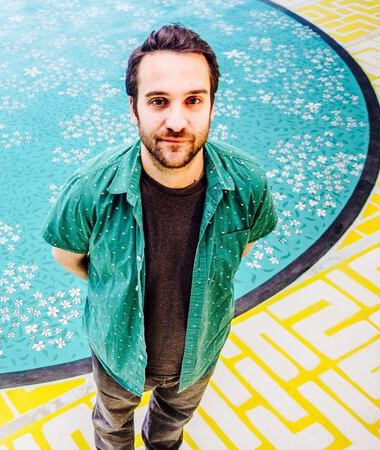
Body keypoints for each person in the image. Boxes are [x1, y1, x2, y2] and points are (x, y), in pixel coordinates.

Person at [41, 23, 278, 449]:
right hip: (117, 351)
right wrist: (117, 290)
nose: (176, 121)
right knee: (113, 425)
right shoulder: (90, 190)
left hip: (200, 349)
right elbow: (67, 255)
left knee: (172, 424)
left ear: (211, 105)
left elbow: (242, 249)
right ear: (134, 109)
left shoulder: (247, 184)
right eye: (158, 101)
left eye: (193, 100)